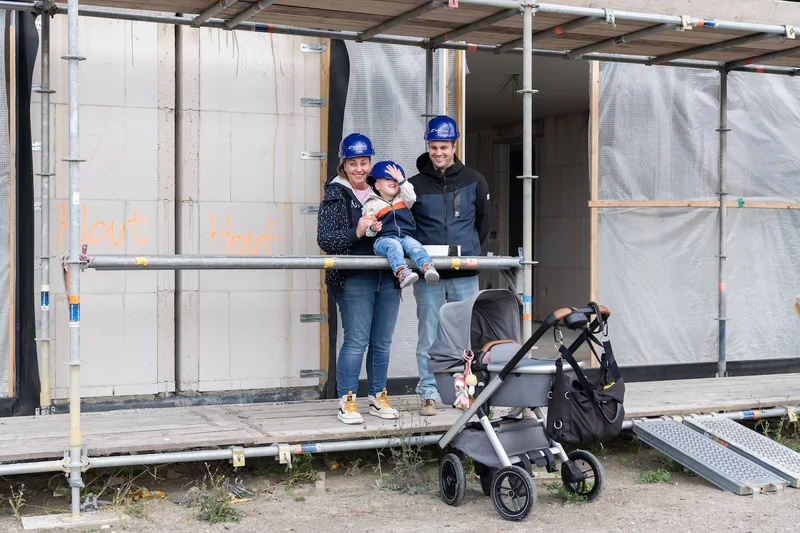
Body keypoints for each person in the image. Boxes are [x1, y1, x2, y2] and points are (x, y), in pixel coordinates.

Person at [408, 116, 491, 416]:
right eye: (433, 146)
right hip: (427, 274)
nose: (438, 152)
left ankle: (465, 393)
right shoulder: (414, 185)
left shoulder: (474, 180)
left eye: (444, 146)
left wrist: (467, 251)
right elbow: (408, 224)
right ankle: (428, 394)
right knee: (428, 334)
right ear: (427, 146)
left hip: (464, 273)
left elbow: (483, 223)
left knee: (465, 336)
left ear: (454, 146)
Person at [317, 133, 401, 425]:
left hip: (387, 277)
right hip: (354, 278)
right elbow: (326, 240)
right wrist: (358, 230)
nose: (359, 169)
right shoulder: (335, 193)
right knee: (356, 341)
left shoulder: (383, 191)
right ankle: (348, 400)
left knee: (382, 341)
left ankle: (378, 396)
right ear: (344, 164)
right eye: (353, 163)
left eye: (364, 162)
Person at [362, 160, 440, 288]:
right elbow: (367, 231)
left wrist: (401, 179)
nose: (393, 182)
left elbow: (412, 196)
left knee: (415, 245)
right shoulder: (371, 204)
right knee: (394, 245)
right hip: (382, 240)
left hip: (403, 237)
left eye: (395, 180)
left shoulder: (403, 200)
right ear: (377, 185)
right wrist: (372, 228)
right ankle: (402, 273)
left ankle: (427, 267)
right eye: (387, 179)